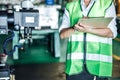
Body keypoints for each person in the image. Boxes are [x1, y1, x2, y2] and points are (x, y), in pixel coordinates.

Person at [59, 0, 117, 80]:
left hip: (98, 65)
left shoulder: (106, 4)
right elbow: (62, 34)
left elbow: (111, 32)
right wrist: (76, 28)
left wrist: (88, 29)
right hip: (75, 66)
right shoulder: (70, 6)